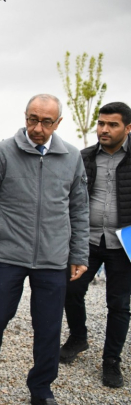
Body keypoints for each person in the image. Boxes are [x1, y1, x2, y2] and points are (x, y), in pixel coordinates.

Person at [0, 94, 89, 405]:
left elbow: (79, 209)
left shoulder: (72, 157)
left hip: (53, 259)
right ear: (25, 116)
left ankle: (42, 388)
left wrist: (78, 253)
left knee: (49, 327)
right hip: (7, 255)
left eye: (46, 122)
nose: (38, 128)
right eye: (33, 119)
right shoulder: (2, 152)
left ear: (58, 123)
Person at [61, 102, 131, 388]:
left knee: (119, 304)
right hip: (86, 240)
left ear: (128, 128)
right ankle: (78, 337)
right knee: (70, 289)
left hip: (123, 245)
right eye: (101, 123)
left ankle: (111, 360)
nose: (104, 129)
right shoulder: (84, 157)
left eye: (112, 124)